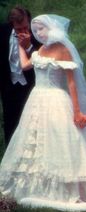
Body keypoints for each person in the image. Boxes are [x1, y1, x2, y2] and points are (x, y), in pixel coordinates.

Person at [0, 14, 86, 212]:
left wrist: (77, 111)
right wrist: (21, 45)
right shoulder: (42, 49)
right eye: (36, 30)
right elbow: (26, 65)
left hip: (56, 99)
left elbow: (71, 83)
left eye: (41, 29)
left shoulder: (63, 50)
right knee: (32, 139)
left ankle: (65, 185)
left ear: (53, 28)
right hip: (37, 99)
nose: (38, 33)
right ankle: (35, 184)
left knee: (59, 138)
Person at [0, 6, 41, 146]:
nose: (23, 31)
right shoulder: (2, 31)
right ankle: (10, 152)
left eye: (25, 27)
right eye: (18, 29)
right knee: (10, 119)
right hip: (8, 83)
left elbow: (42, 58)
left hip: (30, 83)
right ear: (12, 24)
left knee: (30, 119)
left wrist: (28, 46)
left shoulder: (37, 33)